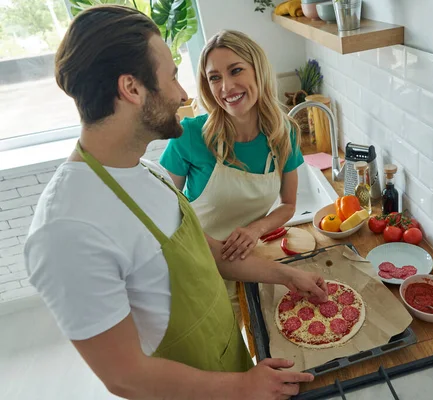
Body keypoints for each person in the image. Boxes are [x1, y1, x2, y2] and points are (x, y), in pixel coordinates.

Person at [23, 6, 327, 400]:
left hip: (226, 363)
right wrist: (242, 387)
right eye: (171, 77)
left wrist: (289, 276)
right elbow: (125, 376)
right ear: (132, 89)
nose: (185, 94)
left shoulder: (147, 173)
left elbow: (212, 254)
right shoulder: (65, 229)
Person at [159, 30, 304, 326]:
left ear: (258, 70)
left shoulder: (283, 134)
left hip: (246, 266)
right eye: (214, 78)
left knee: (252, 347)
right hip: (194, 271)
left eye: (236, 70)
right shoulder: (188, 136)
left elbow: (288, 205)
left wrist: (254, 230)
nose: (226, 87)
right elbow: (163, 213)